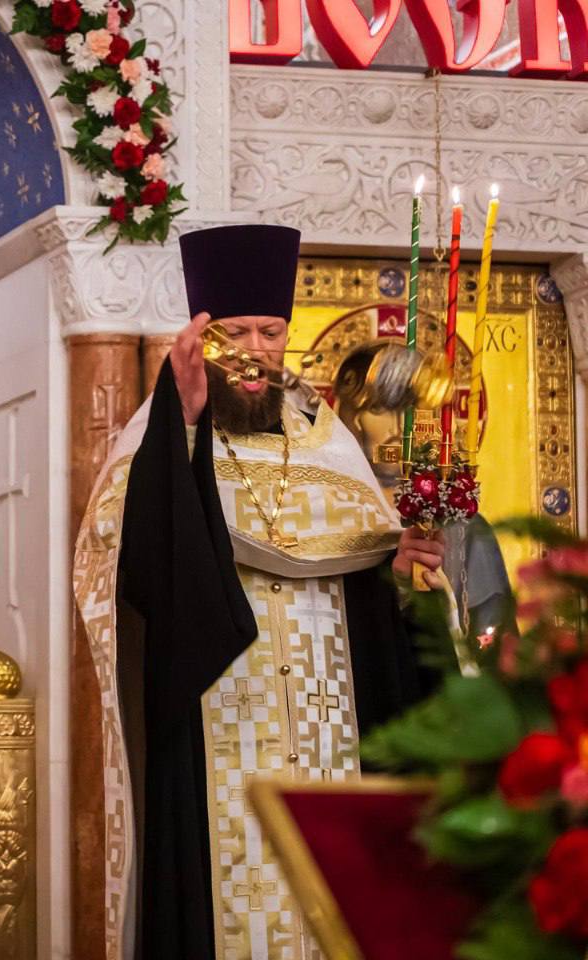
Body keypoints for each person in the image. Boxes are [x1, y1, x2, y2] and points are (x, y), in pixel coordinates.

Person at [73, 224, 447, 960]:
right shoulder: (158, 443)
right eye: (233, 332)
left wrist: (401, 578)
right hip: (217, 726)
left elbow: (376, 613)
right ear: (199, 336)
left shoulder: (331, 450)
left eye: (270, 332)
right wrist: (183, 422)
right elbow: (137, 572)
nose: (253, 350)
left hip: (332, 735)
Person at [333, 342, 514, 638]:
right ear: (353, 418)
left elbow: (494, 641)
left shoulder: (466, 531)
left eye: (411, 408)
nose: (399, 427)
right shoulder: (329, 520)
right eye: (379, 408)